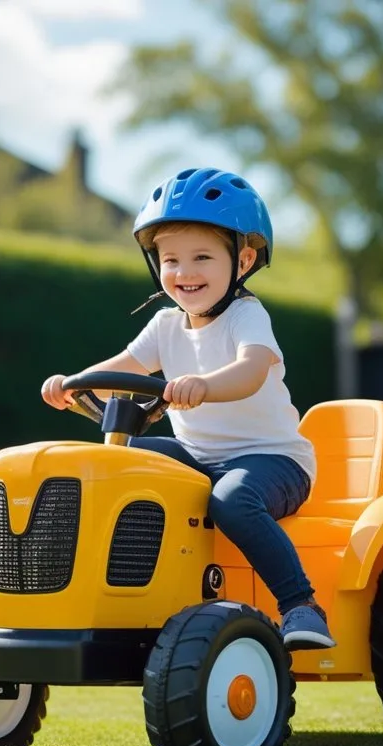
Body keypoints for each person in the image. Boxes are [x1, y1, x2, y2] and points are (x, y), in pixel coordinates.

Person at [41, 167, 335, 651]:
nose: (184, 272)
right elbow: (123, 367)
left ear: (241, 261)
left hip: (272, 460)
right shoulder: (164, 325)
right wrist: (72, 383)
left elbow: (252, 370)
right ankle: (129, 599)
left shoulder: (247, 315)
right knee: (127, 460)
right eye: (170, 259)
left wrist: (205, 385)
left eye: (201, 257)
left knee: (232, 498)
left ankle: (301, 605)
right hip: (198, 456)